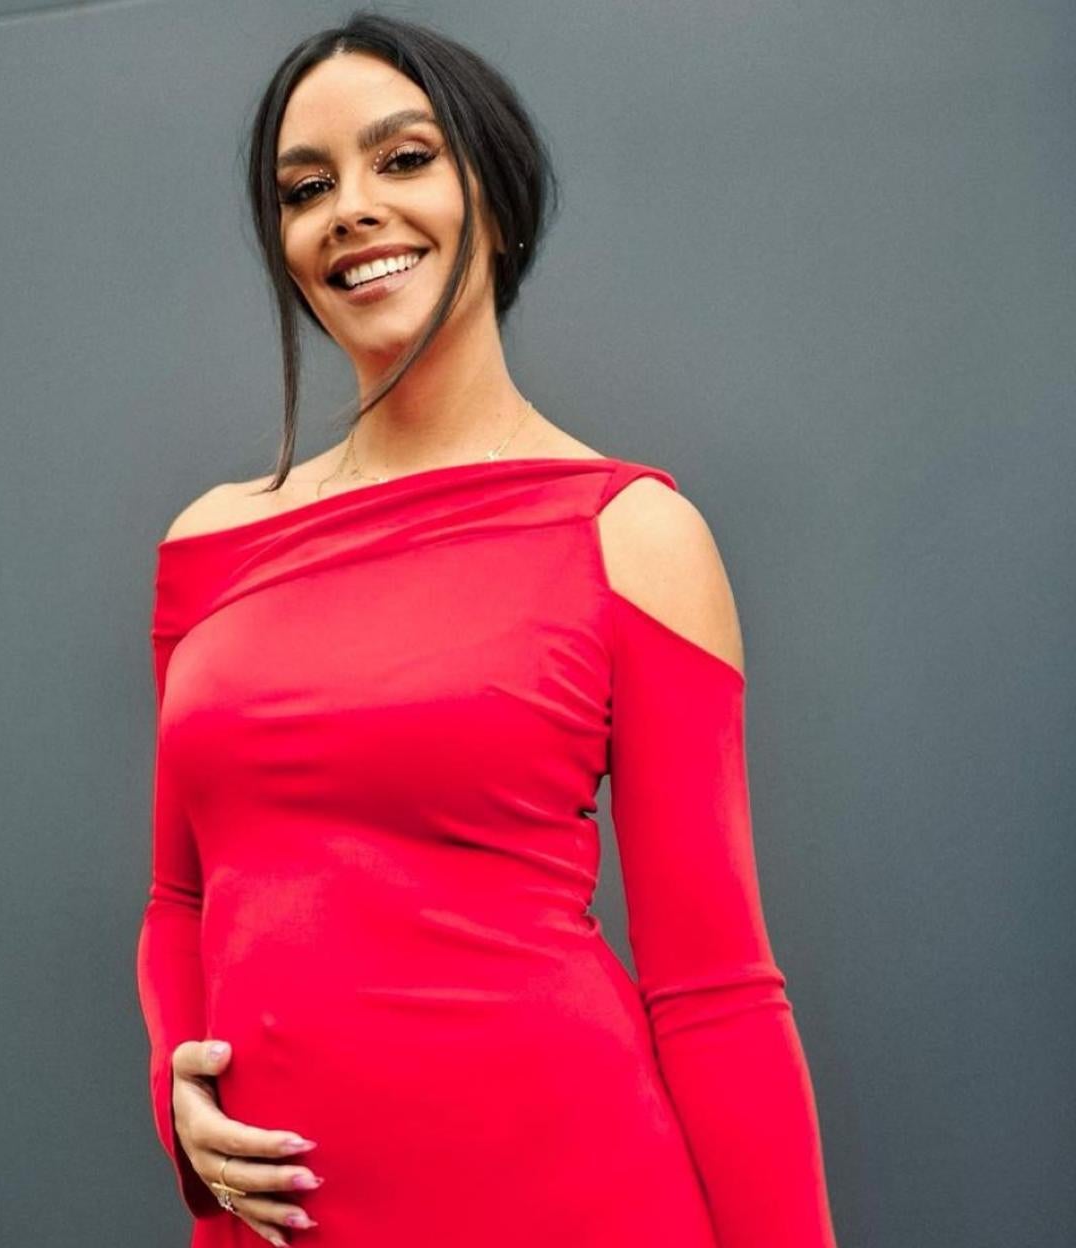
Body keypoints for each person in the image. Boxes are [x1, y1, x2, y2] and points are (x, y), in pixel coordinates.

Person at [136, 12, 839, 1247]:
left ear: (496, 202)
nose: (351, 208)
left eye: (403, 160)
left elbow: (717, 990)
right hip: (281, 1219)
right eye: (308, 188)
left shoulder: (630, 532)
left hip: (568, 1194)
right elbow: (178, 898)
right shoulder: (211, 546)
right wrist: (174, 1098)